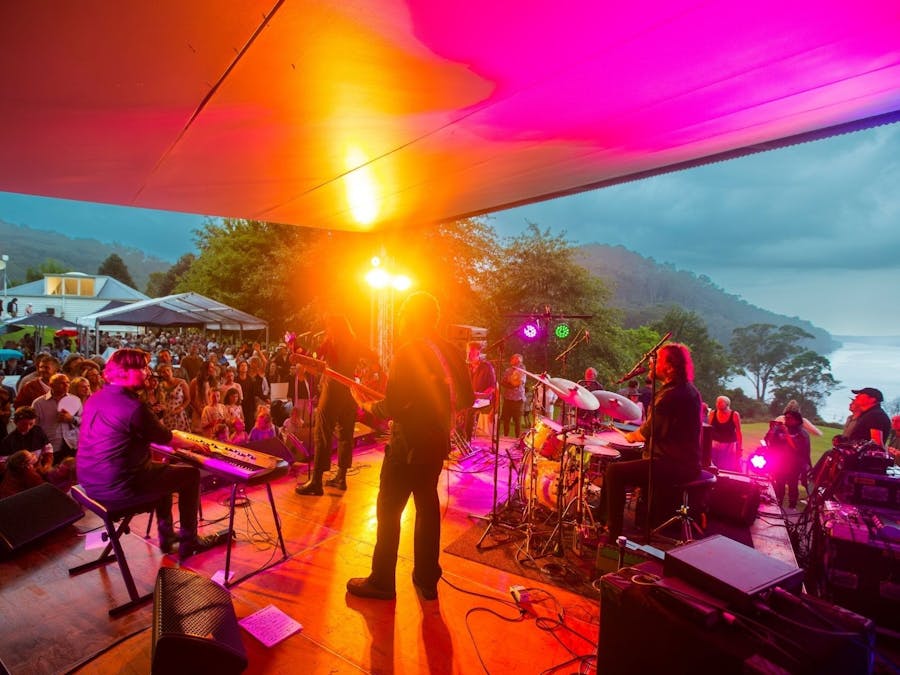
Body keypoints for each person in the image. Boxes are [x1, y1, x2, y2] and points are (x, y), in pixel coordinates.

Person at [346, 291, 473, 600]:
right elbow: (468, 398)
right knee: (427, 508)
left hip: (407, 447)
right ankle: (427, 578)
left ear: (411, 317)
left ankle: (382, 581)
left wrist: (367, 405)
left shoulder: (408, 351)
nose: (400, 320)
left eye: (403, 314)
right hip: (436, 444)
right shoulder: (453, 352)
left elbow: (393, 405)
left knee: (389, 510)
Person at [76, 348, 219, 560]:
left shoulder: (96, 398)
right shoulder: (134, 407)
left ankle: (168, 537)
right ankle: (190, 542)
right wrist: (195, 444)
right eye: (142, 368)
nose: (148, 372)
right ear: (127, 372)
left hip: (90, 481)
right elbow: (168, 439)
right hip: (119, 487)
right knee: (190, 475)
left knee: (162, 473)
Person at [598, 343, 702, 541]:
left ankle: (613, 534)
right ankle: (604, 521)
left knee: (614, 471)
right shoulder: (684, 390)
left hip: (673, 464)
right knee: (617, 459)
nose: (652, 365)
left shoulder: (671, 396)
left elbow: (646, 432)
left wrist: (630, 436)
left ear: (670, 367)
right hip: (677, 459)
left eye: (658, 361)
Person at [295, 315, 372, 495]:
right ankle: (341, 477)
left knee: (323, 432)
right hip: (349, 390)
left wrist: (297, 347)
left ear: (332, 328)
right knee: (346, 433)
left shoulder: (331, 341)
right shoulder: (355, 342)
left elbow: (315, 357)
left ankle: (316, 481)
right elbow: (373, 356)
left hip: (332, 388)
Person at [765, 410, 811, 510]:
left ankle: (792, 506)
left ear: (797, 420)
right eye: (786, 418)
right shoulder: (780, 430)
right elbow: (768, 441)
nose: (786, 420)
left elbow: (796, 447)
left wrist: (785, 432)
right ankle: (778, 503)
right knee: (779, 483)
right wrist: (772, 430)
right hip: (781, 463)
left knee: (792, 485)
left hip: (795, 465)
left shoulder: (802, 434)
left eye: (789, 418)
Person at [32, 373, 82, 463]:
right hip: (51, 445)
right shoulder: (39, 403)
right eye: (62, 383)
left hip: (72, 444)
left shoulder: (75, 399)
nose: (66, 385)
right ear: (51, 385)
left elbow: (84, 421)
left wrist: (71, 419)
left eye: (68, 382)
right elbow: (34, 427)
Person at [0, 406, 54, 471]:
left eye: (31, 424)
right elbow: (2, 463)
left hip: (40, 469)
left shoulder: (38, 431)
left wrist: (47, 465)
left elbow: (48, 450)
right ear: (15, 422)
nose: (27, 427)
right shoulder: (8, 441)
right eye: (23, 424)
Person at [463, 341, 496, 443]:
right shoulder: (466, 367)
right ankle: (455, 438)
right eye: (467, 352)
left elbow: (492, 387)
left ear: (478, 354)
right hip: (470, 397)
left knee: (469, 409)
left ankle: (467, 439)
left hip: (484, 399)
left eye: (471, 353)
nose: (468, 355)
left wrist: (481, 395)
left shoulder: (487, 367)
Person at [708, 395, 743, 472]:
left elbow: (738, 432)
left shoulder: (734, 414)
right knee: (713, 465)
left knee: (727, 466)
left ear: (727, 403)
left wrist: (740, 448)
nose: (717, 404)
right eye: (717, 402)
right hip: (714, 444)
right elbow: (709, 430)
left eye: (720, 402)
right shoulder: (712, 413)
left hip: (729, 445)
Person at [498, 353, 526, 438]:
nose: (516, 361)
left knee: (517, 421)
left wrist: (510, 383)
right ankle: (506, 437)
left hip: (518, 400)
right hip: (508, 399)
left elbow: (518, 383)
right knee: (506, 420)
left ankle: (517, 439)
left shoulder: (523, 371)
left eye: (518, 360)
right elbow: (503, 382)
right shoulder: (507, 371)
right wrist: (510, 383)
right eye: (514, 359)